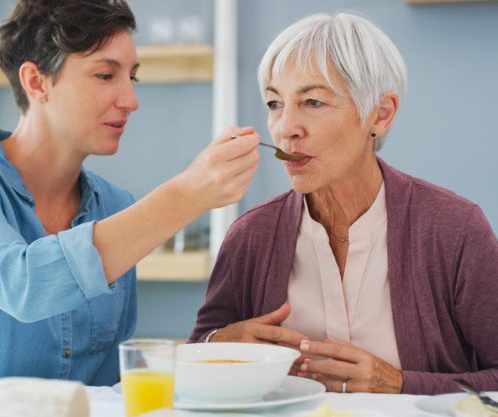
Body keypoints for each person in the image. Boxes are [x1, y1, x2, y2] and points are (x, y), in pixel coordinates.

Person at [0, 0, 260, 385]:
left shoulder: (115, 207)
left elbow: (112, 381)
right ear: (36, 82)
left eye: (132, 77)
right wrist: (185, 196)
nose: (131, 100)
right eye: (106, 75)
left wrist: (215, 348)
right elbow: (21, 285)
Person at [189, 12, 498, 395]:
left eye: (313, 101)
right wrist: (217, 346)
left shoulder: (456, 229)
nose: (286, 127)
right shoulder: (250, 236)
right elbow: (194, 368)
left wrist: (401, 384)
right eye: (274, 103)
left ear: (380, 114)